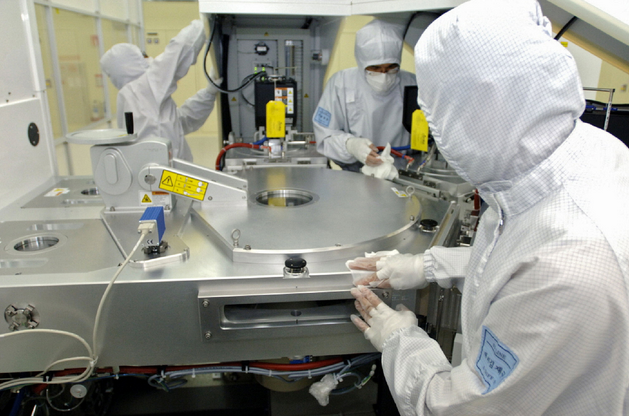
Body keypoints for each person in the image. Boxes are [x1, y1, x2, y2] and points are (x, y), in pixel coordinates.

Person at [349, 0, 629, 414]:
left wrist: (399, 339)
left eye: (437, 114)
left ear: (476, 113)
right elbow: (519, 253)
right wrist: (429, 266)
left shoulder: (568, 265)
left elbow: (461, 408)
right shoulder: (574, 154)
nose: (438, 131)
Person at [100, 20, 221, 162]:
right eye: (143, 55)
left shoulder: (132, 97)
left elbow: (181, 121)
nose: (148, 58)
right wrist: (204, 22)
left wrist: (208, 93)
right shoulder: (144, 86)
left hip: (159, 170)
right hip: (164, 172)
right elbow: (180, 48)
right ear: (130, 63)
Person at [312, 19, 416, 173]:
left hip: (403, 173)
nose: (383, 75)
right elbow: (325, 137)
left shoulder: (412, 83)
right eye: (375, 68)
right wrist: (350, 145)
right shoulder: (341, 83)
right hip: (355, 176)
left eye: (391, 67)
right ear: (362, 63)